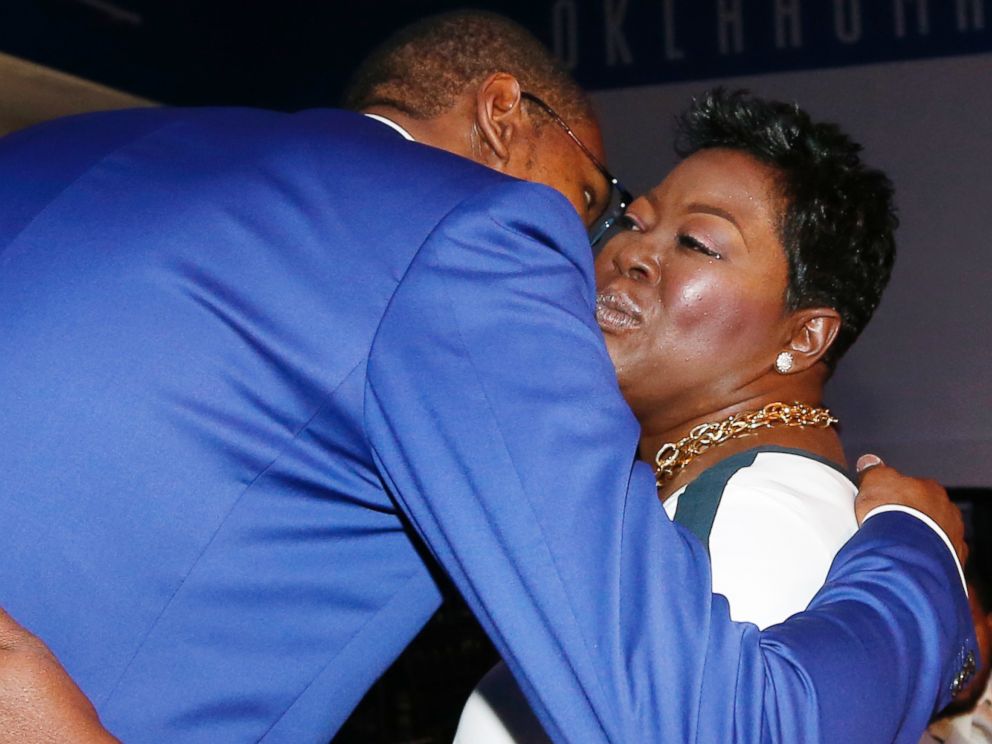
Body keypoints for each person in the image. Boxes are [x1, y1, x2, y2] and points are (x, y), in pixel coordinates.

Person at [0, 11, 976, 744]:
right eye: (606, 210)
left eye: (685, 240)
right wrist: (921, 573)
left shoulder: (55, 150)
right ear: (503, 118)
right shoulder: (469, 238)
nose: (599, 250)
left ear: (804, 335)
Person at [453, 87, 969, 743]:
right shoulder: (713, 502)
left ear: (803, 337)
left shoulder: (751, 515)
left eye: (697, 242)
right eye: (636, 224)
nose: (627, 254)